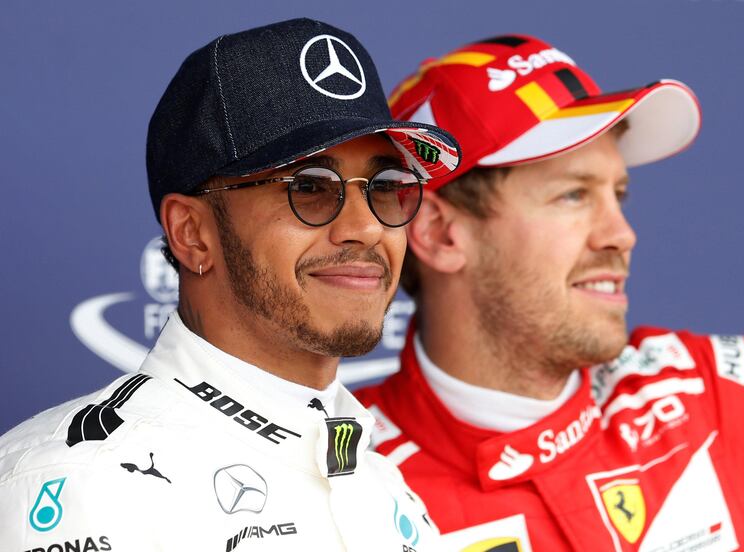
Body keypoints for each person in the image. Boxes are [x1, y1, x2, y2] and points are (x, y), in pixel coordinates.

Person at [0, 18, 461, 551]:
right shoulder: (84, 487)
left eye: (386, 187)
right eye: (309, 188)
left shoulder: (387, 490)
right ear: (192, 234)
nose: (365, 227)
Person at [355, 34, 744, 551]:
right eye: (573, 195)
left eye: (619, 194)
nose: (621, 235)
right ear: (439, 232)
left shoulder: (725, 395)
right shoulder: (350, 489)